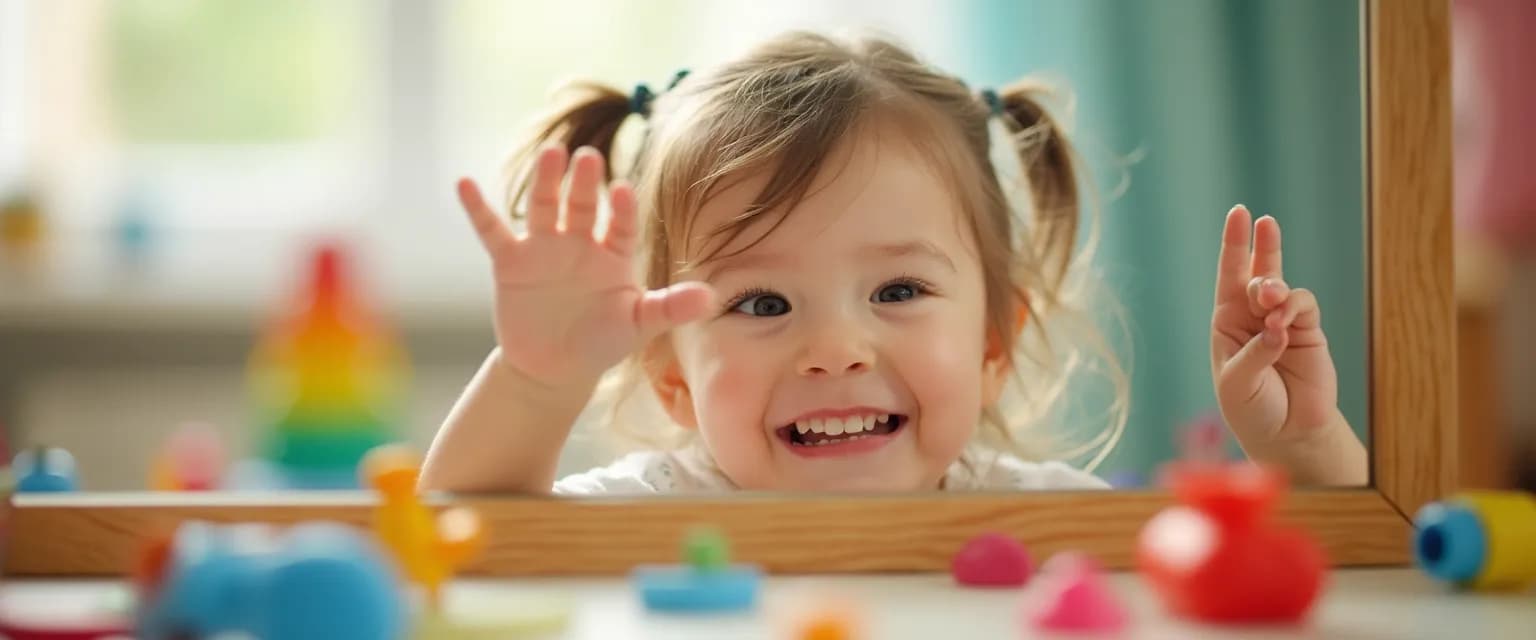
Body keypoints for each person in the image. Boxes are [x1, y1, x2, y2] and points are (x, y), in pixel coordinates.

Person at [420, 31, 1367, 495]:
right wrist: (538, 382)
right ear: (671, 376)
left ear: (995, 341)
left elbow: (1336, 579)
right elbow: (467, 536)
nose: (835, 348)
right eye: (759, 302)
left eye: (899, 290)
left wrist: (1302, 450)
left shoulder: (1044, 519)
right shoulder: (654, 508)